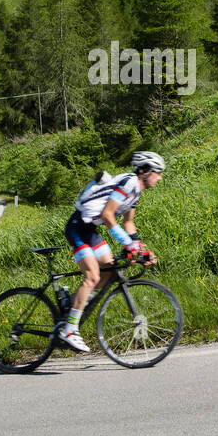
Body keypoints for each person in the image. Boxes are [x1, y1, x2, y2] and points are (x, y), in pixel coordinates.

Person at [56, 151, 164, 352]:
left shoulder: (136, 192)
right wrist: (127, 244)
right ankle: (69, 329)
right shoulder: (129, 183)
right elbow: (107, 216)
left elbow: (128, 223)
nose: (160, 177)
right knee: (92, 276)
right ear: (146, 171)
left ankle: (70, 302)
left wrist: (141, 249)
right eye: (157, 172)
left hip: (89, 230)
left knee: (109, 269)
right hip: (78, 227)